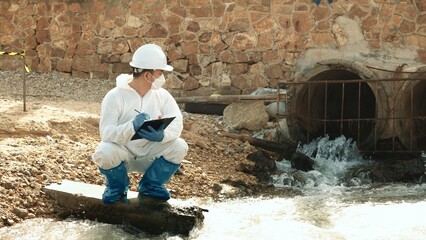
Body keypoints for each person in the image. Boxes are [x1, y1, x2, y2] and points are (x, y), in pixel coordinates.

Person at [92, 43, 188, 204]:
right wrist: (131, 126)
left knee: (180, 146)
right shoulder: (114, 96)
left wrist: (163, 135)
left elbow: (177, 122)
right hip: (124, 155)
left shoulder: (162, 96)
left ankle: (151, 186)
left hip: (151, 153)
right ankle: (117, 187)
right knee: (104, 152)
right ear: (147, 75)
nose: (163, 77)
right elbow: (106, 133)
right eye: (160, 72)